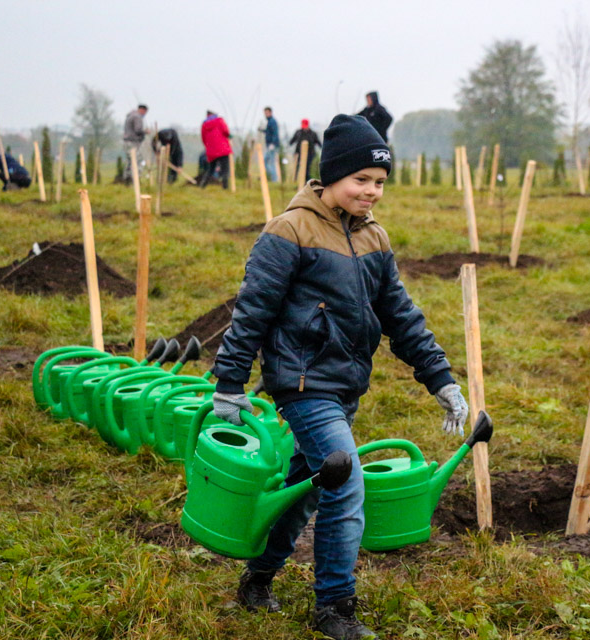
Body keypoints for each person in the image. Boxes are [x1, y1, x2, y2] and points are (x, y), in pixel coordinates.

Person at [211, 114, 468, 640]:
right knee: (345, 481)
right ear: (330, 177)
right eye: (361, 180)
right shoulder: (289, 231)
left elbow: (401, 315)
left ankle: (258, 577)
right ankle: (334, 606)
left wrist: (440, 378)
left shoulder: (374, 238)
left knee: (304, 490)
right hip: (302, 385)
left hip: (345, 386)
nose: (372, 192)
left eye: (379, 183)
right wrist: (230, 382)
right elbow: (252, 311)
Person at [199, 111, 232, 189]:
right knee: (225, 169)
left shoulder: (204, 125)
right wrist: (229, 136)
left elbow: (203, 138)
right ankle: (225, 187)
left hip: (211, 151)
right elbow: (226, 131)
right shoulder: (220, 120)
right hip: (223, 149)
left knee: (210, 169)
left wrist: (208, 147)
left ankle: (202, 186)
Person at [122, 104, 148, 182]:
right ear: (142, 110)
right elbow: (138, 130)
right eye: (145, 112)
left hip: (127, 142)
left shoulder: (130, 116)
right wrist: (146, 131)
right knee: (138, 160)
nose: (144, 114)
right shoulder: (137, 117)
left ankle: (127, 178)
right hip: (133, 142)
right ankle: (136, 179)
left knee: (130, 161)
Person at [259, 106, 280, 181]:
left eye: (267, 113)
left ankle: (274, 179)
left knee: (271, 163)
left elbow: (275, 133)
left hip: (272, 146)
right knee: (265, 161)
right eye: (265, 113)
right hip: (269, 145)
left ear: (270, 113)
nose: (266, 114)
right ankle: (271, 177)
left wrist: (273, 144)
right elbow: (269, 132)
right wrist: (262, 130)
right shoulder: (269, 121)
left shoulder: (272, 121)